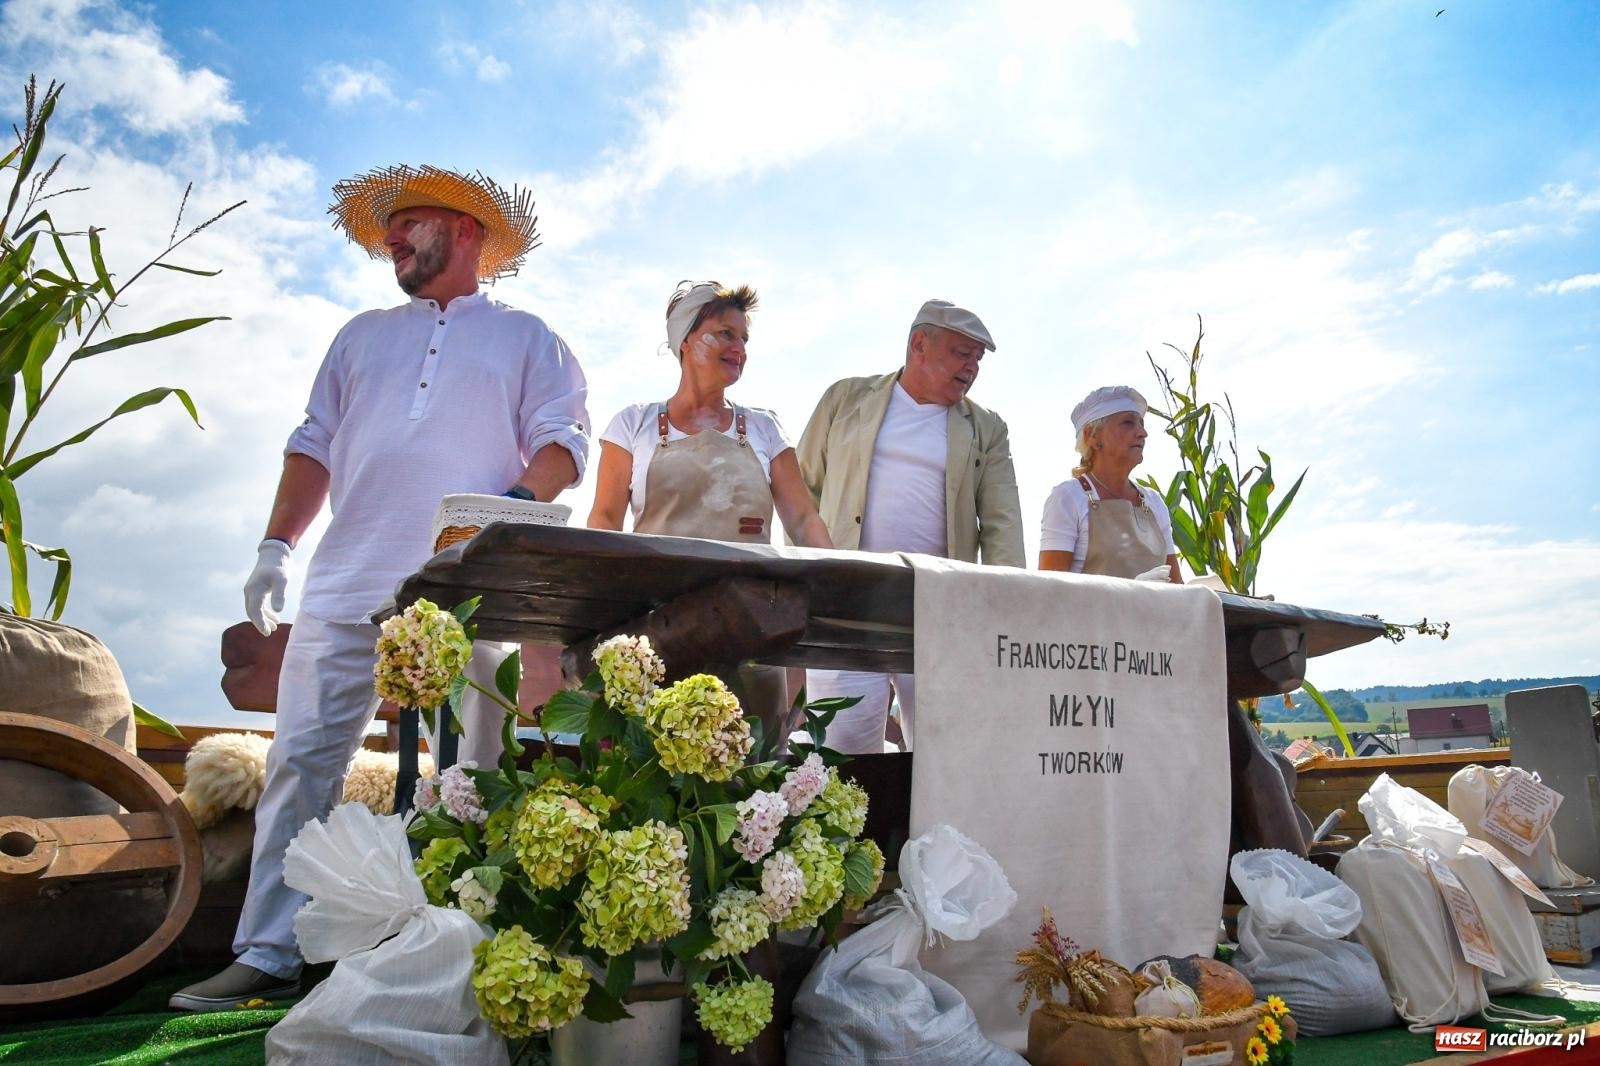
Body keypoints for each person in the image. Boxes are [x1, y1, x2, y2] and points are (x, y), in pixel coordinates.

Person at [170, 165, 590, 1011]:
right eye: (389, 226)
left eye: (410, 221)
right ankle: (267, 953)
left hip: (466, 589)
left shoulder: (528, 338)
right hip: (344, 581)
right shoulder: (360, 336)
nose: (391, 236)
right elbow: (313, 443)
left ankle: (462, 952)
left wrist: (502, 514)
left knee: (470, 771)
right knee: (299, 764)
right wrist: (275, 546)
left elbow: (563, 445)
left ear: (467, 229)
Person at [588, 281, 831, 739]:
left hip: (754, 630)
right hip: (658, 632)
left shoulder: (763, 428)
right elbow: (604, 522)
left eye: (744, 338)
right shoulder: (634, 425)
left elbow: (802, 518)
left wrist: (835, 582)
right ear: (685, 341)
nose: (739, 348)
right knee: (660, 757)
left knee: (754, 762)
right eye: (725, 334)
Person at [795, 299, 1023, 754]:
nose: (972, 367)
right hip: (846, 605)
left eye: (978, 359)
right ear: (920, 344)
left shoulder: (987, 428)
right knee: (843, 747)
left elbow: (1003, 523)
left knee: (946, 748)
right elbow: (802, 490)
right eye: (963, 353)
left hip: (941, 607)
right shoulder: (845, 399)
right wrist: (811, 579)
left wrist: (1006, 608)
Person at [1039, 385, 1181, 582]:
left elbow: (1177, 586)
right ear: (1091, 436)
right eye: (1128, 423)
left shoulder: (1153, 501)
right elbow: (1050, 589)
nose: (1142, 432)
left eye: (1141, 423)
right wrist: (1129, 592)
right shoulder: (1068, 498)